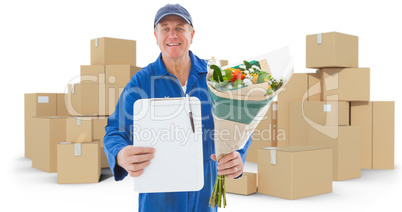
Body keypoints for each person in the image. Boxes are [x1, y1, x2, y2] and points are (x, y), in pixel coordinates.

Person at [103, 4, 252, 212]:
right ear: (156, 36)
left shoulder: (214, 77)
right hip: (158, 199)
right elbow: (115, 130)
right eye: (165, 28)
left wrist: (239, 155)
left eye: (180, 28)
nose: (172, 34)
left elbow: (241, 122)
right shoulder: (142, 82)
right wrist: (120, 153)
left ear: (192, 34)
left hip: (205, 196)